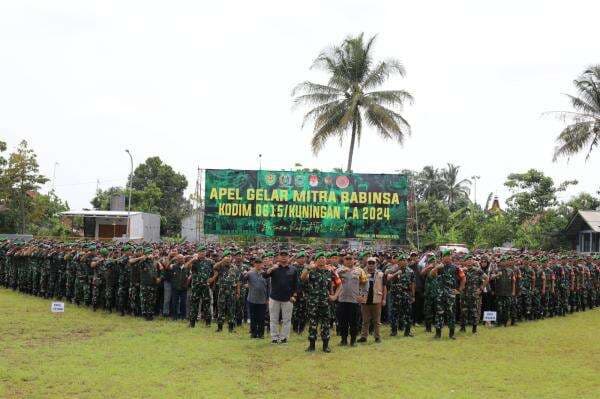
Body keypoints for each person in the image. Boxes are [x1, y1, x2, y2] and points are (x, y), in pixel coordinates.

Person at [301, 252, 335, 353]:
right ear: (316, 261)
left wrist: (332, 296)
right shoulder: (311, 271)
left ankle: (326, 346)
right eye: (319, 258)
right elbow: (302, 278)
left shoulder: (329, 272)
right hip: (313, 303)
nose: (321, 260)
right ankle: (312, 346)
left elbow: (331, 286)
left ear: (326, 260)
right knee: (313, 324)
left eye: (323, 258)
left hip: (325, 302)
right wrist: (308, 268)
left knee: (326, 324)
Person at [263, 249, 297, 344]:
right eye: (282, 255)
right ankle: (274, 337)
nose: (283, 257)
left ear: (288, 257)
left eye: (285, 255)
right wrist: (270, 269)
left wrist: (294, 296)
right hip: (274, 298)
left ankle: (284, 338)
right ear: (278, 257)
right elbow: (264, 276)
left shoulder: (293, 269)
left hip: (288, 299)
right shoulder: (274, 268)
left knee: (287, 320)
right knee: (273, 319)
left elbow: (296, 284)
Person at [332, 252, 367, 346]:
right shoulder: (338, 270)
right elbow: (333, 281)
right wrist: (340, 273)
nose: (348, 260)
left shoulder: (360, 271)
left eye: (350, 258)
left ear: (354, 260)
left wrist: (363, 295)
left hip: (354, 301)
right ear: (343, 260)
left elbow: (365, 283)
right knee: (342, 322)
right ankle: (343, 340)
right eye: (346, 259)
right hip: (342, 300)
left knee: (354, 322)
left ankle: (353, 340)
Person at [430, 250, 465, 339]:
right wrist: (437, 267)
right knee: (439, 313)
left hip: (450, 294)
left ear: (451, 257)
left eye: (449, 256)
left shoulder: (456, 268)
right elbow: (431, 275)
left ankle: (451, 334)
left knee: (451, 313)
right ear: (442, 258)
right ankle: (438, 334)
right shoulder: (439, 267)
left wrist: (459, 290)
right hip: (440, 294)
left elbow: (463, 278)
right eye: (445, 256)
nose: (447, 257)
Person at [357, 257, 386, 344]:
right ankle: (363, 337)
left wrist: (384, 299)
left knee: (377, 321)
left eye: (373, 263)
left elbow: (384, 287)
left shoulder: (381, 274)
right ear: (366, 263)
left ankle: (377, 337)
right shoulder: (361, 273)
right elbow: (357, 285)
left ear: (376, 264)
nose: (371, 265)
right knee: (365, 321)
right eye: (369, 263)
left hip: (377, 300)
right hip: (365, 300)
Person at [386, 253, 416, 337]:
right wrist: (396, 273)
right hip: (395, 294)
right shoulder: (393, 269)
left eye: (405, 260)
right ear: (398, 262)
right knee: (394, 313)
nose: (403, 262)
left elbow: (412, 283)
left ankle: (407, 331)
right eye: (401, 260)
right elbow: (388, 278)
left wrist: (413, 295)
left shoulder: (410, 271)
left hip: (406, 294)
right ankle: (394, 331)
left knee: (407, 313)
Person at [186, 246, 214, 328]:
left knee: (207, 304)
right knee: (194, 304)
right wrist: (192, 259)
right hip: (196, 286)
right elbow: (186, 267)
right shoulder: (194, 262)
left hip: (205, 286)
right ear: (198, 253)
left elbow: (216, 270)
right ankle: (192, 323)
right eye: (200, 252)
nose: (202, 253)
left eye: (204, 252)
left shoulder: (210, 262)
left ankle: (208, 323)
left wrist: (212, 279)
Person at [245, 257, 269, 339]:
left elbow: (268, 287)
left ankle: (261, 334)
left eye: (260, 263)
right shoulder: (250, 273)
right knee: (253, 317)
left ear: (262, 264)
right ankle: (253, 333)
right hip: (252, 299)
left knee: (261, 318)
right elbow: (242, 280)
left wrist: (268, 298)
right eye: (256, 263)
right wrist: (246, 273)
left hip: (262, 300)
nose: (258, 264)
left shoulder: (265, 274)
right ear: (254, 264)